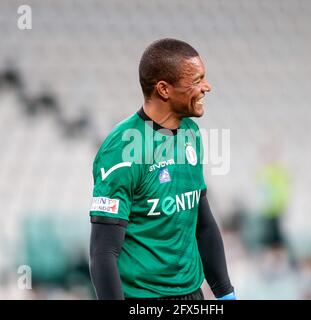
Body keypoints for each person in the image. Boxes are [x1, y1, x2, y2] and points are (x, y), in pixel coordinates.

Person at [89, 38, 236, 300]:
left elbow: (202, 222)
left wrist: (224, 292)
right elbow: (103, 253)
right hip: (144, 298)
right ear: (164, 90)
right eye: (196, 80)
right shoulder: (122, 150)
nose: (207, 87)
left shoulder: (190, 132)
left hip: (192, 294)